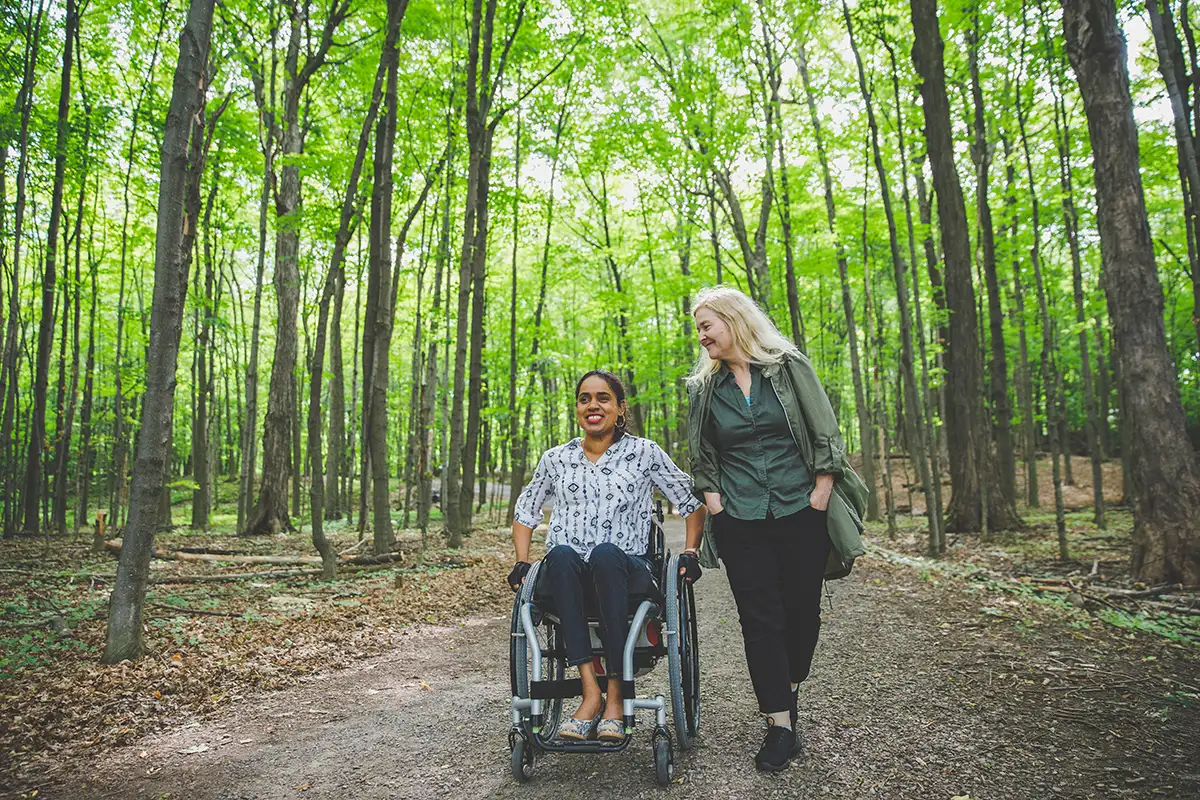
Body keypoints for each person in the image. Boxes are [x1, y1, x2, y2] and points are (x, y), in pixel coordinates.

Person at [685, 286, 866, 772]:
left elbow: (824, 429)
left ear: (733, 320)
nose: (701, 336)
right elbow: (702, 454)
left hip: (799, 507)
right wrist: (716, 504)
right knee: (759, 618)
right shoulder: (705, 389)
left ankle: (786, 687)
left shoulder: (788, 367)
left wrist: (821, 491)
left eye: (707, 325)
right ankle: (780, 725)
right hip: (741, 516)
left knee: (801, 612)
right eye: (699, 328)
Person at [508, 370, 705, 742]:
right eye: (585, 399)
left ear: (620, 408)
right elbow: (525, 511)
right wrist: (521, 560)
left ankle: (616, 693)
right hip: (568, 574)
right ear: (577, 409)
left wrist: (691, 551)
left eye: (603, 398)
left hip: (626, 567)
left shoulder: (645, 453)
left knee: (604, 555)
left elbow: (691, 502)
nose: (593, 405)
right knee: (563, 555)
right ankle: (590, 693)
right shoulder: (556, 459)